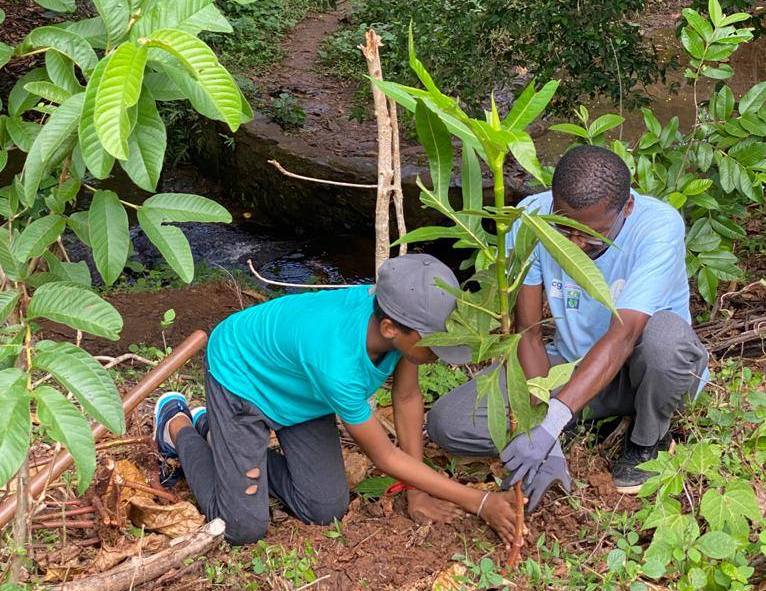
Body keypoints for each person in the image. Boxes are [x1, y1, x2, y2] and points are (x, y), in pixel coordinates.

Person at [153, 254, 521, 545]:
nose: (441, 352)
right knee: (242, 526)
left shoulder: (401, 333)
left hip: (300, 393)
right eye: (434, 341)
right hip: (242, 380)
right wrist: (479, 501)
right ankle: (180, 424)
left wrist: (417, 492)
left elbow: (407, 397)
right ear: (391, 328)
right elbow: (384, 455)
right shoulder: (338, 362)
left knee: (324, 507)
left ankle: (219, 438)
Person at [426, 145, 709, 511]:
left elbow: (624, 335)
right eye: (565, 227)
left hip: (647, 372)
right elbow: (528, 331)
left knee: (665, 340)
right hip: (571, 369)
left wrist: (550, 421)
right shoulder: (532, 217)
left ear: (626, 208)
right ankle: (579, 419)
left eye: (591, 235)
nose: (575, 243)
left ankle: (646, 440)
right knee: (449, 422)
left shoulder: (658, 226)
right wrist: (547, 429)